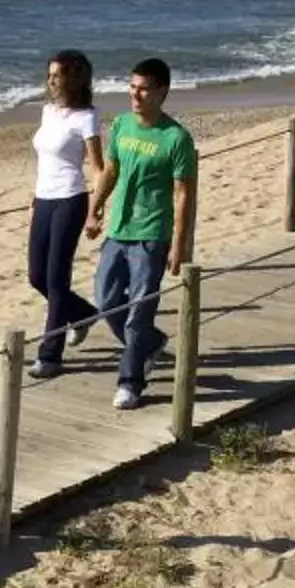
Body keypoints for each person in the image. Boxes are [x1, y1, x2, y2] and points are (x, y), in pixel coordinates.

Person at [89, 56, 197, 409]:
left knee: (139, 312)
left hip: (152, 235)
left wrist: (178, 245)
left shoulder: (176, 138)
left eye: (143, 89)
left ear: (161, 92)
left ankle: (131, 381)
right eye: (132, 87)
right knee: (106, 302)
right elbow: (110, 170)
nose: (135, 94)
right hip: (118, 230)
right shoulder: (121, 125)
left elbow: (184, 194)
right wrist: (94, 209)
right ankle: (149, 344)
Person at [25, 49, 105, 378]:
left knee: (57, 280)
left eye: (57, 75)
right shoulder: (48, 111)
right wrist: (34, 198)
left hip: (71, 200)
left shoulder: (86, 117)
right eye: (49, 75)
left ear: (74, 78)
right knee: (36, 276)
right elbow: (45, 160)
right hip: (43, 199)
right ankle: (84, 313)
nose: (51, 81)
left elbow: (99, 169)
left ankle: (50, 355)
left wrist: (94, 211)